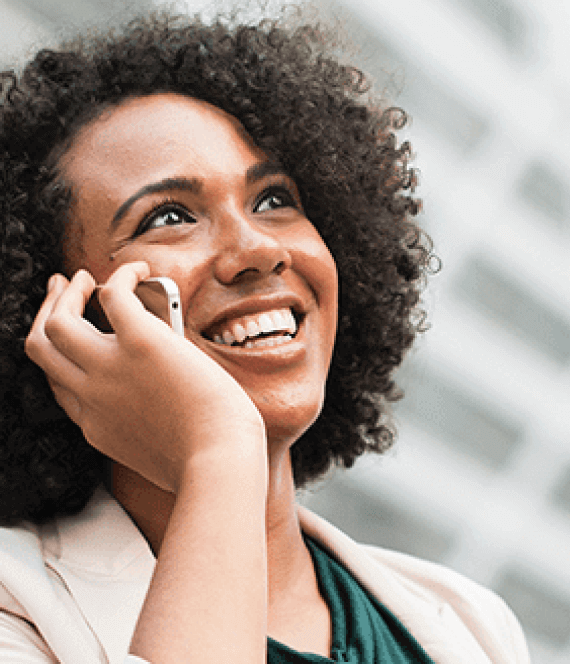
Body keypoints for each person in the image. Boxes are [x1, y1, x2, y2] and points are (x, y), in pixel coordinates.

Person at [0, 7, 530, 664]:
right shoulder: (12, 611)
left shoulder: (471, 623)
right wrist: (218, 453)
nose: (255, 248)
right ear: (61, 313)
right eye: (169, 215)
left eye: (275, 199)